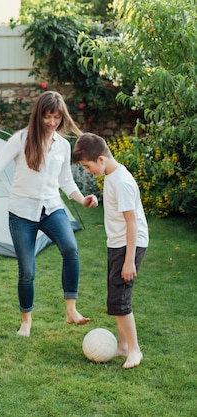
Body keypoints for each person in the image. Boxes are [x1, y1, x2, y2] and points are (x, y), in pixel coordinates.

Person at [0, 91, 98, 337]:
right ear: (38, 115)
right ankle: (26, 320)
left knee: (71, 249)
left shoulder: (62, 144)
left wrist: (83, 199)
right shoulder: (21, 139)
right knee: (27, 270)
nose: (52, 122)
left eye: (57, 117)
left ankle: (71, 310)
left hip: (52, 209)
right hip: (21, 213)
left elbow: (66, 181)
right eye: (48, 117)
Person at [72, 133, 148, 369]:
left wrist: (129, 261)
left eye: (87, 166)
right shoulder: (113, 176)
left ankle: (135, 350)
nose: (87, 171)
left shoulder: (122, 182)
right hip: (117, 244)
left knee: (120, 299)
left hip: (129, 245)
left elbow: (132, 222)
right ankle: (123, 346)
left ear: (101, 160)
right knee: (115, 299)